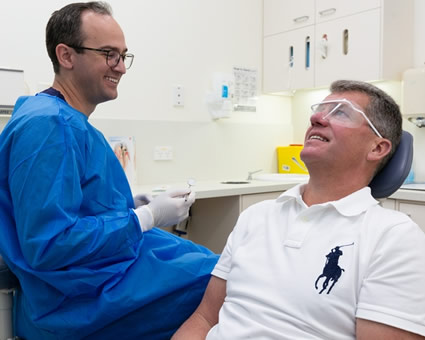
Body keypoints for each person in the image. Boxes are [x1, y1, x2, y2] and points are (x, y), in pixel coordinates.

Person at [0, 2, 218, 339]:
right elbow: (50, 244)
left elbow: (71, 205)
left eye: (123, 56)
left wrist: (129, 204)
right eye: (108, 54)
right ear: (66, 55)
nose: (121, 67)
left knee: (222, 267)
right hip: (76, 299)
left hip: (101, 272)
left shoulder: (61, 120)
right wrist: (144, 217)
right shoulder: (49, 126)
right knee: (226, 285)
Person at [172, 80, 425, 339]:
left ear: (377, 148)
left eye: (340, 112)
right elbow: (204, 319)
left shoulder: (393, 237)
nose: (316, 117)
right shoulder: (256, 216)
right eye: (320, 109)